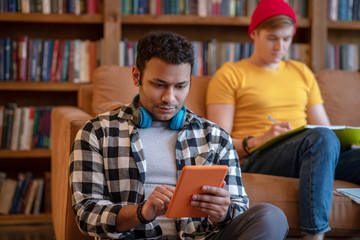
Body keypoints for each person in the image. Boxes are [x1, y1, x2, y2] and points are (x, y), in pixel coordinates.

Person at [69, 31, 288, 240]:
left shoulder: (215, 137)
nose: (169, 98)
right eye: (159, 85)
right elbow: (86, 214)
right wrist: (141, 212)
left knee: (272, 217)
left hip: (202, 236)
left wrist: (223, 213)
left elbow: (239, 208)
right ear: (137, 76)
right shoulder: (97, 132)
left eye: (181, 86)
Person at [206, 0, 360, 240]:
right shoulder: (231, 74)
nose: (280, 46)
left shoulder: (302, 72)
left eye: (287, 39)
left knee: (326, 140)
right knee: (320, 140)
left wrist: (347, 141)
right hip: (259, 156)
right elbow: (217, 143)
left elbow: (325, 128)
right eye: (272, 37)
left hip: (314, 152)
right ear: (254, 33)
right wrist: (258, 139)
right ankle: (314, 235)